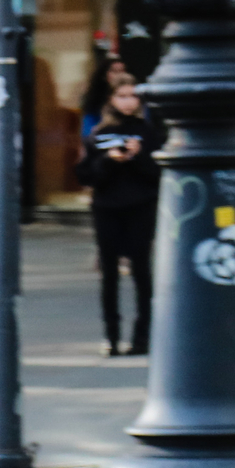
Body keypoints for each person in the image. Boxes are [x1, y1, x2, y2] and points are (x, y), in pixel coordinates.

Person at [79, 81, 163, 355]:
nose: (128, 102)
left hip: (140, 207)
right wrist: (108, 160)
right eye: (122, 96)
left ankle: (143, 337)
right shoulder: (100, 133)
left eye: (133, 96)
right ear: (111, 99)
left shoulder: (147, 133)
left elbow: (157, 175)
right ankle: (111, 336)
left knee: (141, 271)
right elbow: (86, 175)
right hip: (107, 208)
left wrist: (137, 158)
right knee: (109, 274)